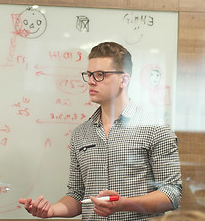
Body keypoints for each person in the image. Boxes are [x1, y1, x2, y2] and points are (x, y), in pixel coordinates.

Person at [19, 41, 182, 220]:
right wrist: (51, 211)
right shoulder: (80, 134)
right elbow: (77, 194)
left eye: (99, 75)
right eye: (89, 75)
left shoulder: (155, 128)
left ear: (124, 80)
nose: (90, 81)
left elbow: (171, 193)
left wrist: (123, 204)